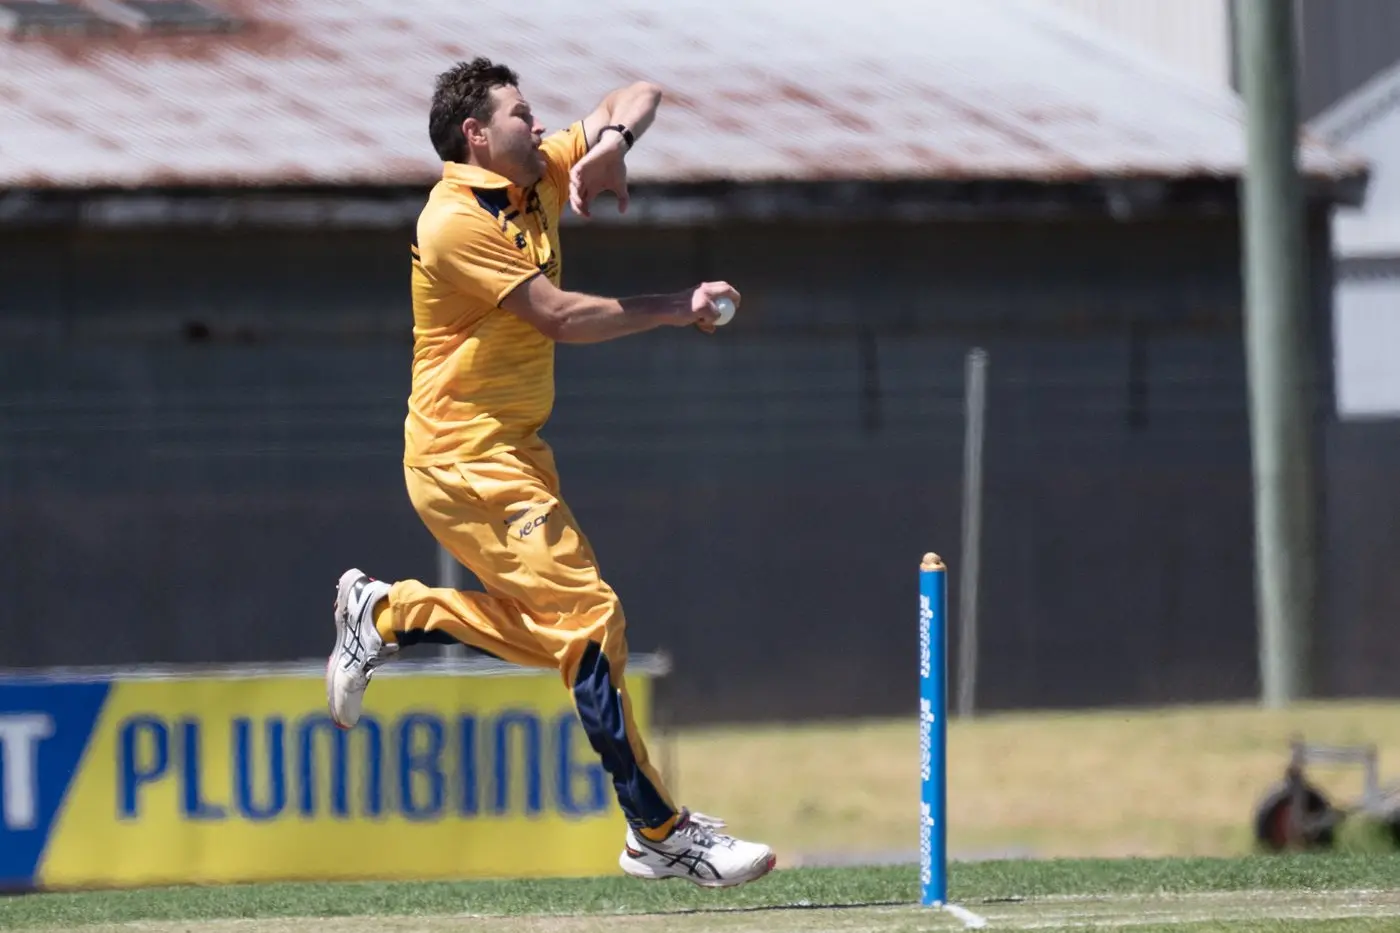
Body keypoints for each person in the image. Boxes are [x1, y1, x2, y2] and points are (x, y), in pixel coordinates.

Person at [324, 57, 776, 889]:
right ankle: (658, 830)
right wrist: (677, 307)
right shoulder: (452, 221)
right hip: (461, 458)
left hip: (514, 451)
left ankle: (388, 612)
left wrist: (609, 141)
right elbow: (559, 317)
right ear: (475, 135)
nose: (537, 127)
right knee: (592, 619)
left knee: (565, 639)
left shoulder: (536, 174)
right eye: (520, 115)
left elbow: (642, 91)